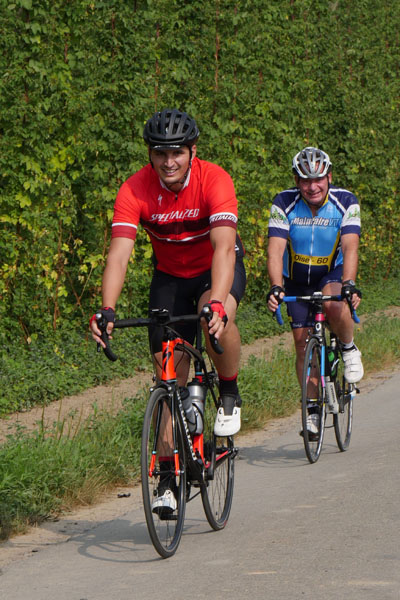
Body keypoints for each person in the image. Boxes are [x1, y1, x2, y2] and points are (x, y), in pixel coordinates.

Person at [90, 108, 246, 512]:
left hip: (215, 269)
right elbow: (119, 255)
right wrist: (107, 309)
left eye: (177, 152)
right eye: (160, 153)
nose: (169, 161)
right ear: (150, 154)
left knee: (214, 316)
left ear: (193, 151)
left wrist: (217, 302)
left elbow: (223, 248)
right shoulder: (135, 189)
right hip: (170, 276)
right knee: (167, 374)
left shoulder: (215, 179)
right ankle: (166, 477)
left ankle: (229, 389)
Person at [266, 146, 363, 438]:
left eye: (318, 179)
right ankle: (311, 411)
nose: (313, 187)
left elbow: (350, 246)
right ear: (297, 181)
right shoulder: (283, 203)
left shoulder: (346, 201)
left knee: (334, 304)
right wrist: (276, 286)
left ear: (329, 177)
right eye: (306, 180)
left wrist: (348, 283)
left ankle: (348, 347)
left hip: (331, 274)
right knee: (301, 343)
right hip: (296, 279)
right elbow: (275, 250)